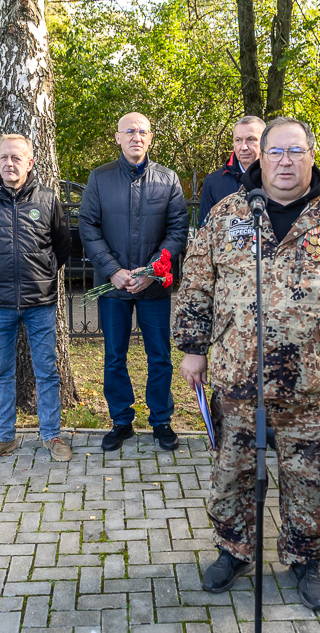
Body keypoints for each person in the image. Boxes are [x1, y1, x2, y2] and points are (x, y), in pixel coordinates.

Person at [172, 117, 320, 610]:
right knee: (232, 470)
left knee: (311, 475)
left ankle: (306, 559)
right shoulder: (228, 214)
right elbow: (197, 286)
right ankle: (234, 550)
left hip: (313, 382)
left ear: (312, 155)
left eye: (296, 151)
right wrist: (192, 348)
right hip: (237, 376)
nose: (285, 161)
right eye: (276, 152)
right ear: (260, 157)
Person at [0, 135, 74, 464]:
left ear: (30, 162)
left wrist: (47, 269)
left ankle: (52, 435)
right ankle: (3, 438)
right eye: (4, 157)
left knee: (47, 372)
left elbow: (62, 245)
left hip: (40, 301)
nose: (9, 163)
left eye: (16, 158)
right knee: (2, 372)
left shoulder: (48, 198)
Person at [79, 112, 189, 452]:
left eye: (142, 131)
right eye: (130, 131)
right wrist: (113, 270)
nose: (136, 137)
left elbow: (177, 230)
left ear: (150, 138)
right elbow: (88, 227)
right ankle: (121, 421)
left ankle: (161, 421)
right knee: (115, 356)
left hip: (153, 286)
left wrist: (152, 271)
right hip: (113, 286)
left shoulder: (168, 180)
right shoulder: (100, 178)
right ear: (118, 138)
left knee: (159, 355)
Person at [198, 115, 265, 226]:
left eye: (251, 139)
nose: (243, 147)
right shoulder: (214, 182)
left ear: (264, 143)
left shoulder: (277, 178)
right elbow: (204, 230)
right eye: (238, 140)